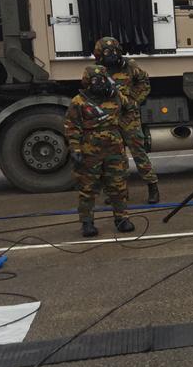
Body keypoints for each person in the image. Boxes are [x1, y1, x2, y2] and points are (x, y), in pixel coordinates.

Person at [64, 65, 135, 237]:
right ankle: (87, 222)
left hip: (114, 148)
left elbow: (131, 109)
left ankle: (122, 219)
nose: (99, 83)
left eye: (102, 79)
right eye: (95, 80)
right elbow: (71, 127)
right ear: (87, 82)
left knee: (118, 185)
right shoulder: (78, 102)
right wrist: (75, 148)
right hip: (90, 149)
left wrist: (125, 129)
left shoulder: (117, 97)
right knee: (88, 188)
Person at [93, 36, 160, 204]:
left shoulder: (130, 66)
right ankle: (119, 192)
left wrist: (135, 100)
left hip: (129, 118)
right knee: (115, 158)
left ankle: (153, 187)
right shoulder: (97, 70)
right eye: (106, 52)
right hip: (110, 119)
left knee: (139, 153)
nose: (111, 55)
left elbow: (144, 83)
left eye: (114, 51)